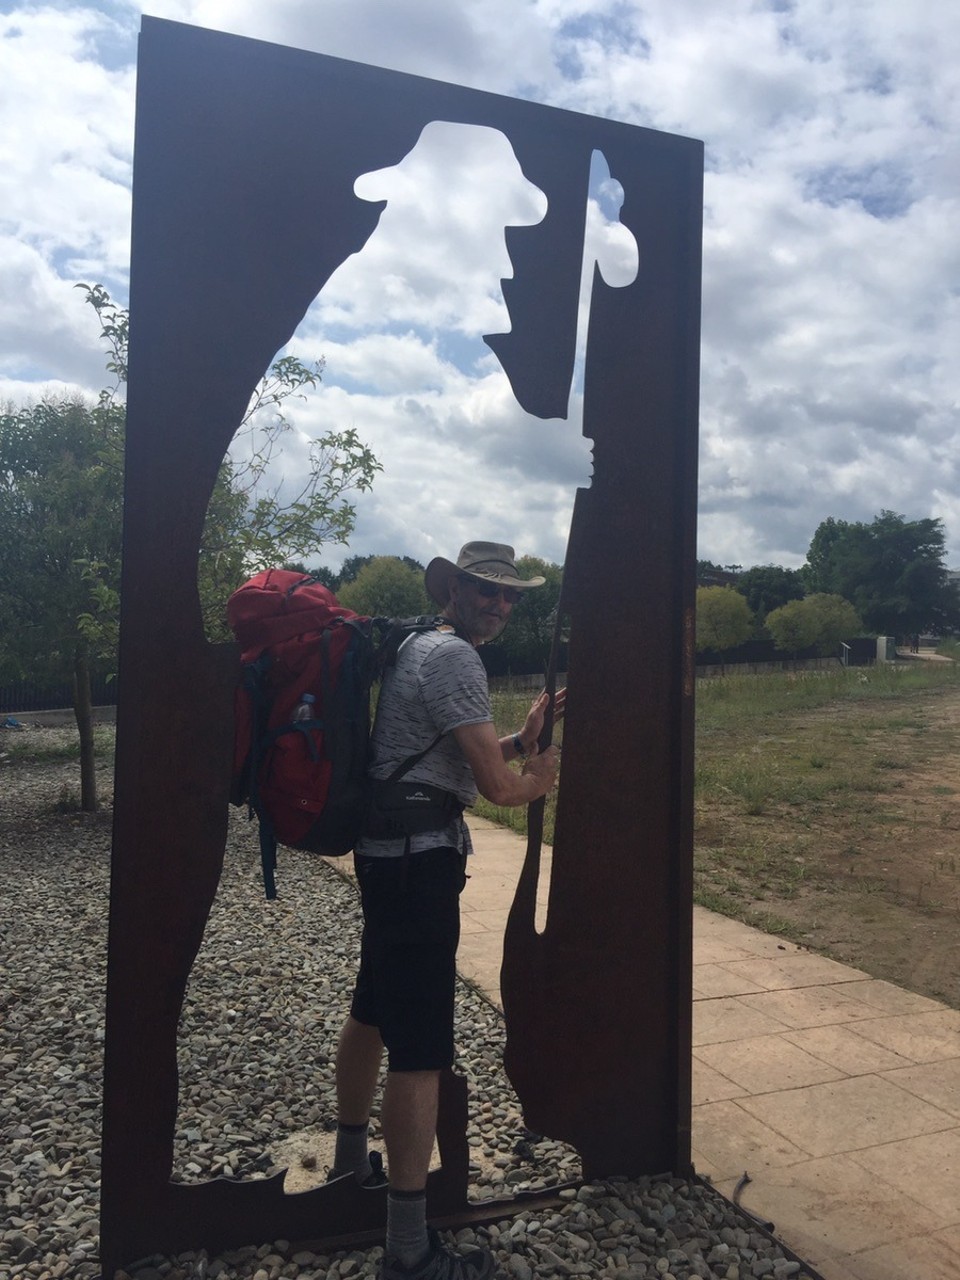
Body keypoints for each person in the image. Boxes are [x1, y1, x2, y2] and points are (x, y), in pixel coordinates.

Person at [329, 542, 562, 1280]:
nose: (500, 605)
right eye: (487, 591)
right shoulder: (458, 659)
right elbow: (495, 787)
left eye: (511, 596)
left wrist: (521, 736)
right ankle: (407, 1251)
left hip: (385, 850)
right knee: (422, 1049)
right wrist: (540, 774)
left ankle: (347, 1162)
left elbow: (447, 752)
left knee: (374, 1007)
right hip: (419, 862)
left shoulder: (418, 648)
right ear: (455, 590)